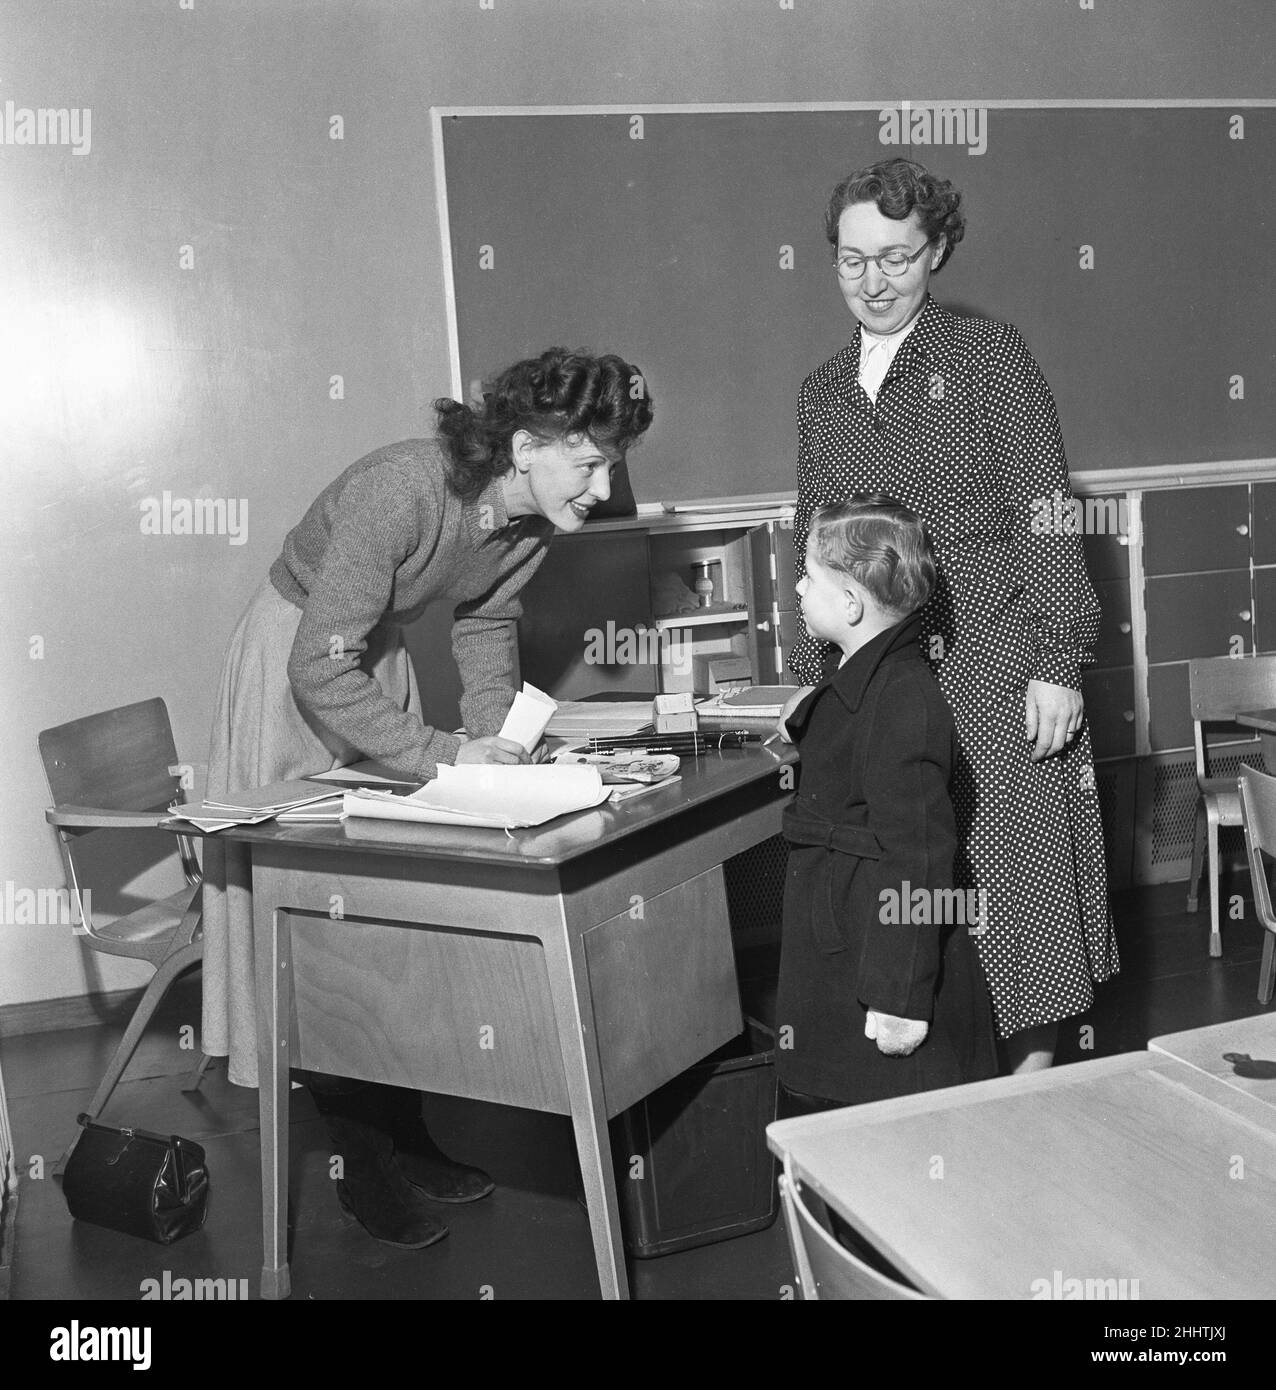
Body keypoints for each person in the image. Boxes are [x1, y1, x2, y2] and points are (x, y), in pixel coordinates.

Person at [200, 347, 653, 1247]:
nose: (603, 488)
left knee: (380, 917)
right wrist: (445, 756)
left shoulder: (531, 524)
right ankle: (361, 1162)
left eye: (613, 465)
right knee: (315, 926)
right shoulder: (401, 490)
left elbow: (485, 625)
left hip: (375, 661)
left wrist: (497, 756)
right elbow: (316, 668)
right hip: (301, 664)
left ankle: (404, 1135)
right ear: (525, 444)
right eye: (591, 462)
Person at [787, 157, 1118, 1074]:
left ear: (936, 253)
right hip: (887, 683)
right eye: (852, 260)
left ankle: (1030, 1104)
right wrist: (823, 692)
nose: (873, 282)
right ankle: (949, 1109)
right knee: (919, 895)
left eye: (895, 258)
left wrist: (1057, 657)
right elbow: (819, 543)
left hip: (996, 668)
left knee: (1016, 895)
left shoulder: (989, 359)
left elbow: (1045, 509)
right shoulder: (821, 391)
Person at [775, 498, 997, 1115]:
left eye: (809, 576)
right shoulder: (869, 673)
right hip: (846, 922)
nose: (798, 586)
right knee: (851, 1112)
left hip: (881, 946)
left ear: (851, 603)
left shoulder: (906, 700)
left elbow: (921, 857)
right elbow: (849, 725)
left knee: (897, 1124)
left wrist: (899, 995)